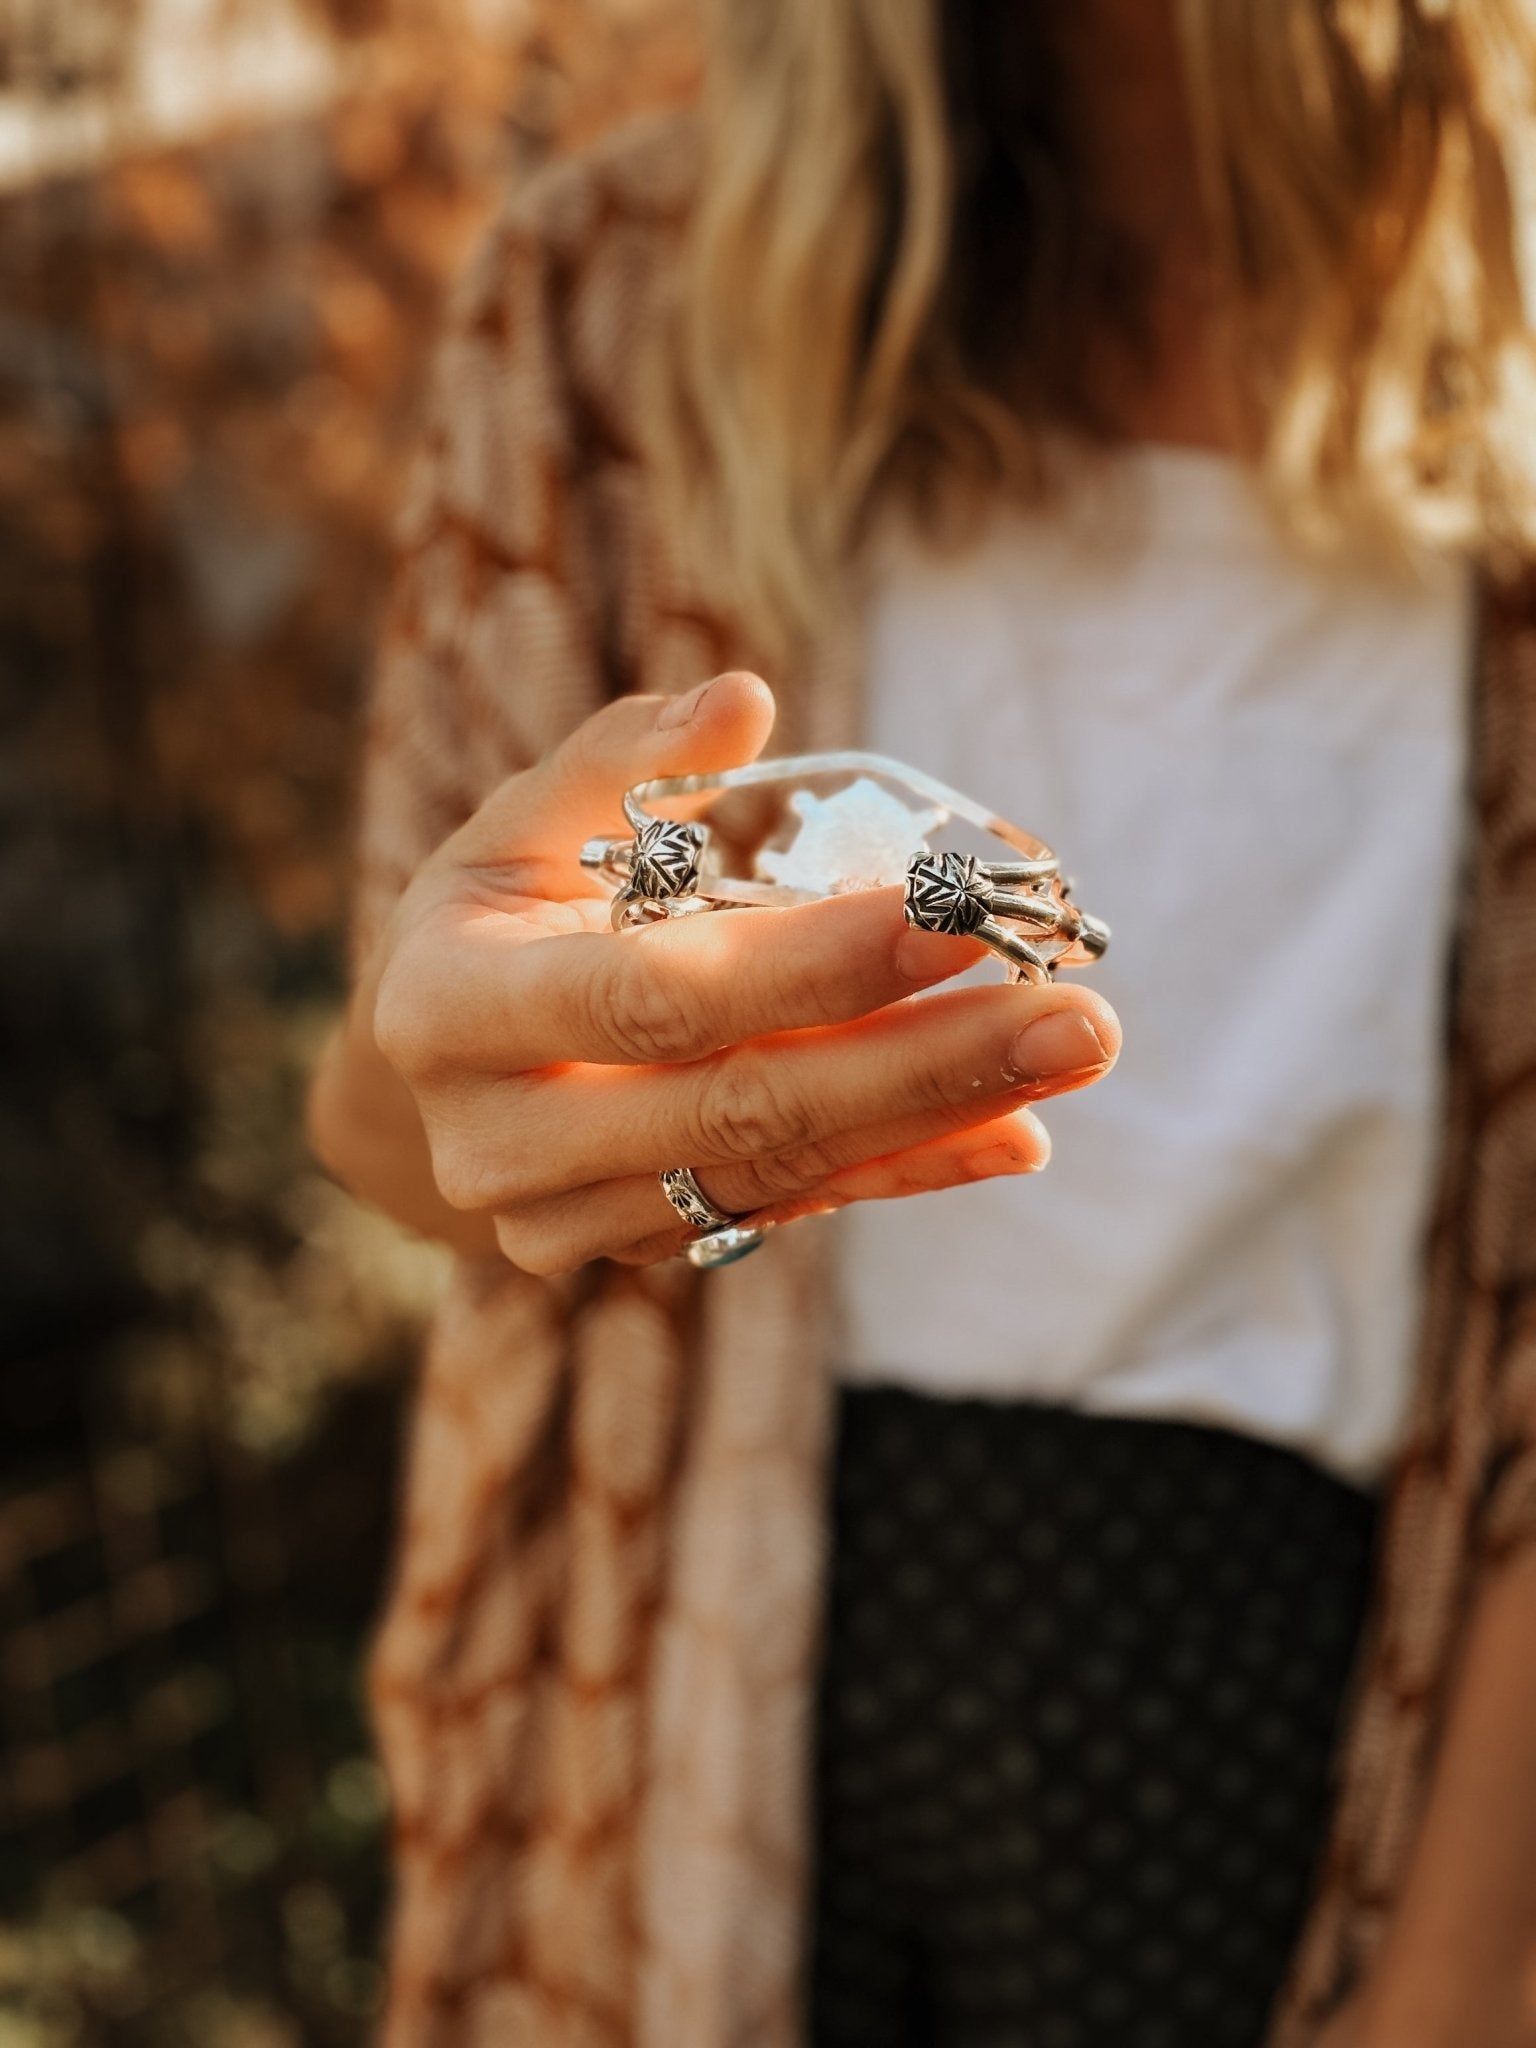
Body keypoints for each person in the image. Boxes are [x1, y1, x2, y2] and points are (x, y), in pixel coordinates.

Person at [308, 3, 1536, 2044]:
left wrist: (1456, 1987)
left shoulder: (1499, 337)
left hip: (1311, 1725)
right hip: (687, 1706)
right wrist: (488, 1071)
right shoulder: (607, 303)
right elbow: (389, 1128)